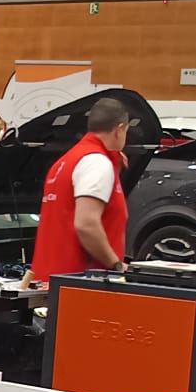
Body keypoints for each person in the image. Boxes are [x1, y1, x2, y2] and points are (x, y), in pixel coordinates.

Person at [26, 96, 134, 286]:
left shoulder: (66, 161)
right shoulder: (97, 162)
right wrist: (116, 265)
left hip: (53, 280)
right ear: (119, 130)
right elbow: (86, 224)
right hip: (81, 285)